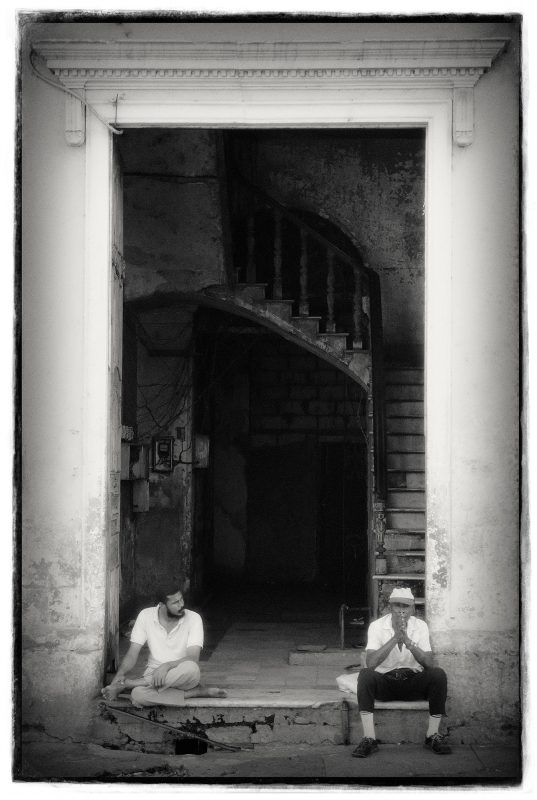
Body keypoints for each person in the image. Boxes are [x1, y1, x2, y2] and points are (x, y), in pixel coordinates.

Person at [352, 587, 451, 758]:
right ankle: (369, 738)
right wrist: (395, 638)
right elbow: (371, 663)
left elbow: (429, 664)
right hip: (386, 682)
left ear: (413, 609)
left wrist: (408, 642)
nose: (401, 611)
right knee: (365, 675)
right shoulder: (377, 626)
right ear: (389, 607)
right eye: (397, 606)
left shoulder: (420, 626)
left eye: (405, 607)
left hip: (412, 681)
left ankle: (432, 735)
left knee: (438, 674)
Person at [101, 586, 227, 707]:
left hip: (182, 674)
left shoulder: (194, 618)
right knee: (137, 695)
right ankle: (195, 692)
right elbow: (132, 653)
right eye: (175, 602)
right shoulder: (145, 616)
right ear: (162, 605)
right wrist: (118, 677)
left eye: (181, 599)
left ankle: (129, 684)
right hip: (153, 675)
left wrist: (166, 666)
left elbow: (193, 658)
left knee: (192, 668)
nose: (181, 605)